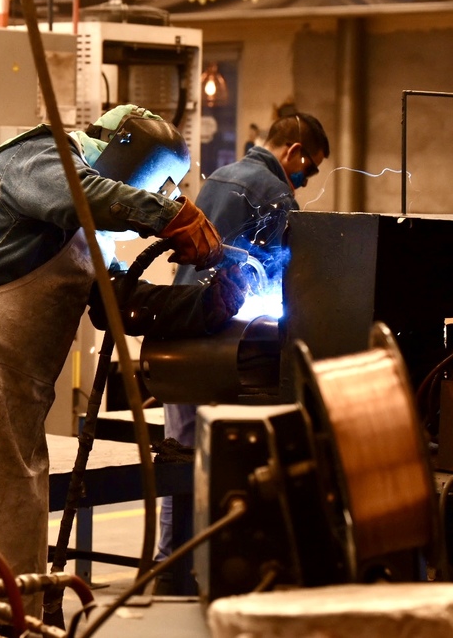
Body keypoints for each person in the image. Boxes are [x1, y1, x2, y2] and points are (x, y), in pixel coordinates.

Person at [0, 104, 247, 628]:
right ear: (123, 152)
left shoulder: (91, 231)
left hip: (12, 388)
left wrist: (206, 304)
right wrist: (167, 216)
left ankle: (6, 623)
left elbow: (120, 305)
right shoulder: (41, 155)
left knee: (10, 523)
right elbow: (88, 196)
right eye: (147, 188)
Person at [154, 112, 330, 588]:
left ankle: (170, 572)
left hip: (179, 333)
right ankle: (216, 574)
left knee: (178, 462)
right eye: (309, 169)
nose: (306, 179)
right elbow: (277, 280)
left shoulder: (221, 176)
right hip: (222, 347)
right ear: (293, 152)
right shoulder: (276, 194)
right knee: (226, 470)